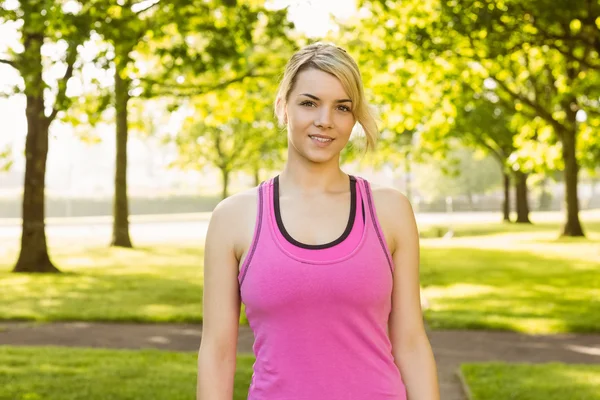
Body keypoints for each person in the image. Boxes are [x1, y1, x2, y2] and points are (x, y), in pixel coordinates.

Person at [197, 42, 440, 400]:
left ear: (353, 118)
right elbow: (217, 352)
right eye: (309, 103)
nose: (325, 120)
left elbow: (411, 343)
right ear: (283, 108)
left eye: (342, 107)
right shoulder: (233, 218)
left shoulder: (389, 211)